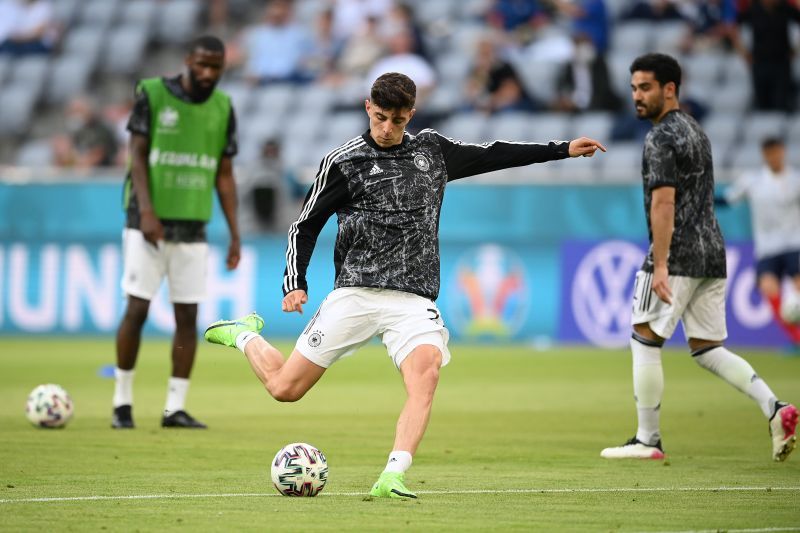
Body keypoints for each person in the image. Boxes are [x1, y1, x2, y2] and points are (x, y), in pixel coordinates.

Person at [204, 72, 605, 498]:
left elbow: (494, 154)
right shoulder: (343, 161)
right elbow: (304, 226)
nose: (388, 128)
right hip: (356, 292)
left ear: (410, 114)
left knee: (426, 375)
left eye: (397, 120)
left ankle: (393, 475)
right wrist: (294, 283)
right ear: (367, 108)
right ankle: (245, 335)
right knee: (285, 389)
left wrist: (561, 149)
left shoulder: (432, 151)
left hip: (413, 299)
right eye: (380, 118)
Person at [600, 53, 798, 462]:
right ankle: (776, 408)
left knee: (644, 338)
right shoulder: (696, 130)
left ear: (670, 89)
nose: (637, 96)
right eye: (634, 87)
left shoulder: (660, 138)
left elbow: (664, 203)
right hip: (713, 252)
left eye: (646, 88)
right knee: (708, 348)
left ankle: (647, 439)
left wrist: (660, 263)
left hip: (680, 253)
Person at [112, 35, 241, 430]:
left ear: (222, 68)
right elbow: (136, 154)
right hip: (147, 223)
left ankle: (174, 408)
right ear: (187, 60)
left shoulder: (223, 107)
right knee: (137, 309)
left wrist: (235, 233)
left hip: (193, 225)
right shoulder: (152, 94)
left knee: (188, 316)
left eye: (214, 67)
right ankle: (122, 403)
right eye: (201, 64)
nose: (206, 73)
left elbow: (223, 173)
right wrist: (147, 211)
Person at [720, 137, 800, 350]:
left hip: (794, 242)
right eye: (769, 153)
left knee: (798, 285)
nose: (773, 156)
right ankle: (796, 339)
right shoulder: (752, 181)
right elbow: (728, 200)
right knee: (768, 287)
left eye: (776, 152)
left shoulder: (795, 179)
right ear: (764, 155)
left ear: (782, 152)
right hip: (767, 247)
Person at [51, 96, 119, 169]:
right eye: (71, 111)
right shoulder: (76, 130)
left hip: (104, 172)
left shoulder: (101, 128)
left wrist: (78, 162)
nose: (74, 115)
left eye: (78, 111)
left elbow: (98, 154)